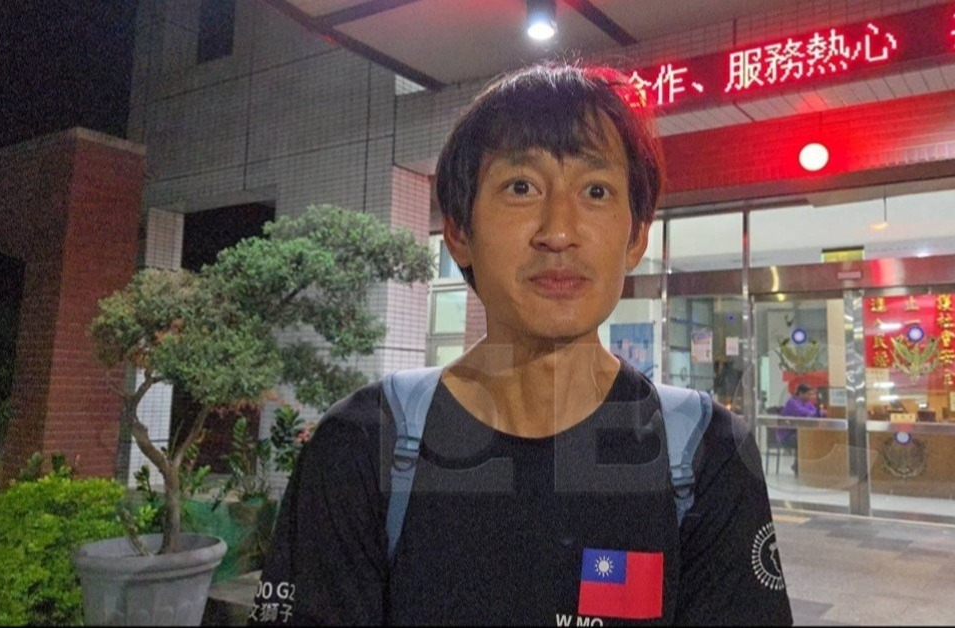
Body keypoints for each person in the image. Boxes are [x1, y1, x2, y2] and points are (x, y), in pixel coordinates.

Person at [250, 63, 792, 625]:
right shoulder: (363, 445)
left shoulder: (706, 455)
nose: (558, 231)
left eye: (596, 190)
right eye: (521, 187)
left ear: (635, 237)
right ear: (459, 231)